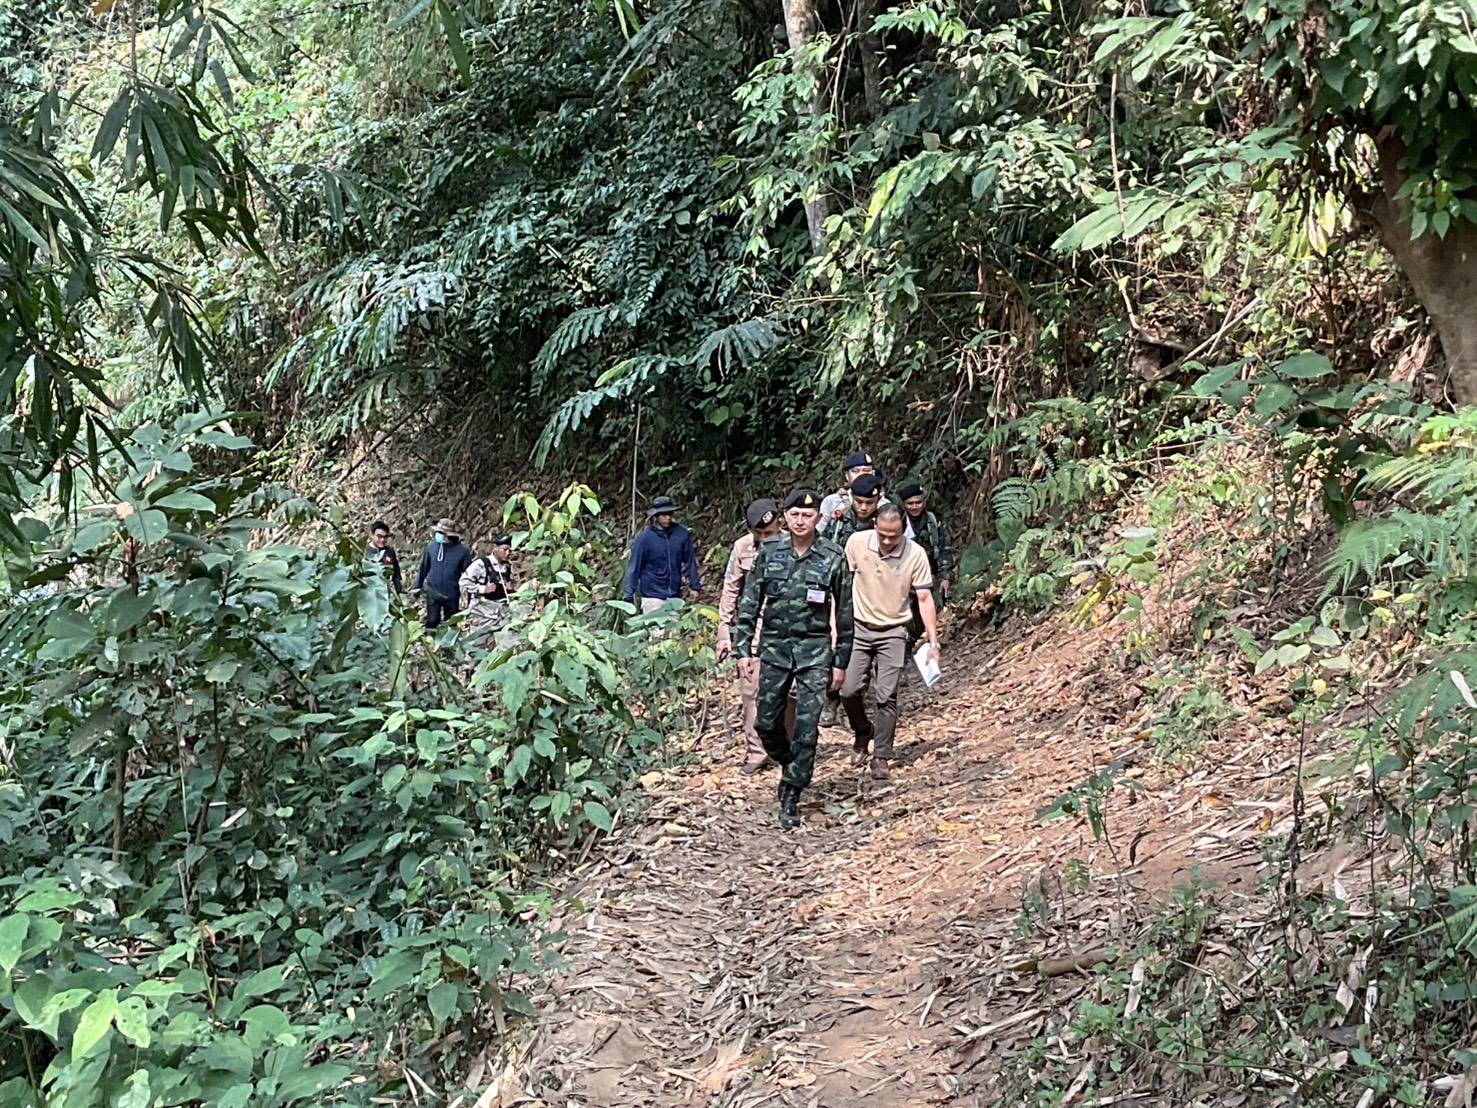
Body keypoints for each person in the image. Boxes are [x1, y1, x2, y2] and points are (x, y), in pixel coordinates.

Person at [733, 489, 854, 830]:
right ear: (785, 517)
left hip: (814, 651)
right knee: (766, 722)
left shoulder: (833, 556)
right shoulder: (770, 552)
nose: (801, 521)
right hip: (774, 648)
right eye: (795, 515)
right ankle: (789, 759)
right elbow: (749, 602)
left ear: (818, 518)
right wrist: (743, 649)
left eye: (808, 515)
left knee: (806, 724)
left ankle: (792, 790)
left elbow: (846, 614)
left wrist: (840, 661)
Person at [841, 504, 940, 780]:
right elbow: (842, 586)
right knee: (848, 689)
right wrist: (836, 628)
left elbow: (924, 598)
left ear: (903, 530)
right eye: (882, 535)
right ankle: (863, 731)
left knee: (886, 695)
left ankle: (881, 755)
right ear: (874, 526)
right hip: (859, 626)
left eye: (893, 536)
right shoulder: (856, 543)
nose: (887, 541)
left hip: (894, 629)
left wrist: (933, 642)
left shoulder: (915, 554)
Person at [717, 499, 794, 774]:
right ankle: (756, 751)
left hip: (787, 626)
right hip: (753, 626)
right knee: (750, 689)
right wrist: (724, 631)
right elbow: (730, 588)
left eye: (769, 533)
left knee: (788, 692)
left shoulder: (795, 544)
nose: (764, 538)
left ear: (779, 524)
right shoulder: (742, 548)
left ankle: (786, 746)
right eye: (758, 533)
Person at [623, 495, 703, 613]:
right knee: (656, 625)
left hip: (675, 597)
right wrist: (628, 595)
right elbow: (634, 567)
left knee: (674, 625)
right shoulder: (645, 539)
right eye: (664, 515)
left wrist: (695, 586)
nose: (668, 518)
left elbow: (690, 561)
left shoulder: (681, 534)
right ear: (656, 516)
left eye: (670, 514)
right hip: (652, 597)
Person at [898, 481, 955, 604]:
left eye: (918, 502)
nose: (914, 507)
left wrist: (945, 577)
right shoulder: (898, 522)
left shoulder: (933, 521)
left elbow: (943, 548)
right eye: (910, 503)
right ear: (904, 504)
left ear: (924, 502)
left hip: (930, 575)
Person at [414, 517, 472, 629]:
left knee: (450, 623)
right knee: (432, 621)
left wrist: (469, 597)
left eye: (440, 533)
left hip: (452, 593)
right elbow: (424, 568)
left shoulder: (462, 551)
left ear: (448, 535)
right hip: (433, 591)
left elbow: (469, 575)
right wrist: (417, 587)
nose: (436, 535)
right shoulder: (431, 548)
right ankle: (430, 639)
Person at [460, 533, 515, 638]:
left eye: (510, 550)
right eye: (505, 550)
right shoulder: (482, 564)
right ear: (496, 548)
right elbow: (464, 581)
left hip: (501, 614)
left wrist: (510, 589)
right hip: (481, 615)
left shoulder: (507, 567)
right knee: (478, 642)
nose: (507, 553)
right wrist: (483, 589)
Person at [818, 450, 877, 534]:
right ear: (847, 475)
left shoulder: (883, 504)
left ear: (873, 473)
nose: (861, 474)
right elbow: (820, 533)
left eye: (866, 470)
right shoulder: (832, 501)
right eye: (855, 471)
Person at [829, 473, 886, 548]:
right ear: (852, 496)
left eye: (869, 503)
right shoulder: (840, 519)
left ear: (878, 500)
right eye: (859, 502)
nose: (863, 508)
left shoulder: (883, 521)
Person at [366, 520, 403, 593]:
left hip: (387, 591)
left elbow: (396, 572)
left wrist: (399, 590)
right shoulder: (365, 552)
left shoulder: (389, 551)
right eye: (379, 536)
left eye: (385, 537)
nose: (382, 540)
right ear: (372, 535)